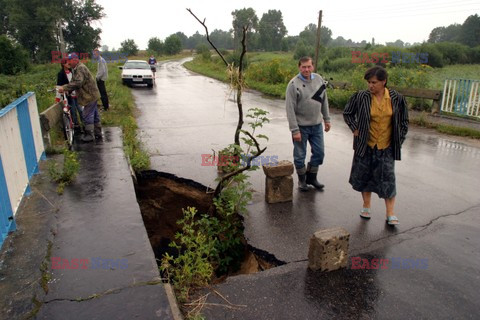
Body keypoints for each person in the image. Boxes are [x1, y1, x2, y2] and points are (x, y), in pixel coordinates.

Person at [343, 66, 409, 226]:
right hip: (366, 144)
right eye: (369, 82)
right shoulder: (361, 96)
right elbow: (347, 113)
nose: (370, 86)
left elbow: (404, 121)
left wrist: (399, 139)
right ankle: (366, 206)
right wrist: (355, 128)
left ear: (383, 81)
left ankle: (390, 213)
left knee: (388, 178)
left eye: (374, 82)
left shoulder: (396, 98)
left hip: (386, 145)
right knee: (365, 175)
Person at [286, 56, 331, 192]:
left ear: (313, 66)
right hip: (301, 127)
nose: (306, 69)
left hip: (316, 125)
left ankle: (312, 177)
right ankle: (302, 180)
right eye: (303, 67)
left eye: (309, 66)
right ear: (299, 67)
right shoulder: (293, 84)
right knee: (300, 155)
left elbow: (324, 101)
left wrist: (327, 119)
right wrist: (295, 130)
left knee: (319, 153)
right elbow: (290, 109)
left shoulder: (319, 80)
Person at [59, 53, 102, 142]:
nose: (69, 62)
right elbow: (73, 81)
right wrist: (68, 89)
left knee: (87, 115)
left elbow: (78, 82)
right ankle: (98, 133)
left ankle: (89, 135)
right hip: (92, 94)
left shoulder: (80, 68)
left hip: (89, 95)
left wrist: (65, 88)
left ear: (75, 60)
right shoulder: (76, 69)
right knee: (95, 116)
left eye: (70, 60)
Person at [56, 59, 82, 130]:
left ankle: (84, 123)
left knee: (80, 109)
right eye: (67, 63)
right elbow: (59, 86)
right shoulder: (61, 74)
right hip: (69, 95)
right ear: (63, 64)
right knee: (73, 110)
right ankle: (76, 125)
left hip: (76, 93)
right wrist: (58, 97)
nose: (69, 64)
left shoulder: (73, 72)